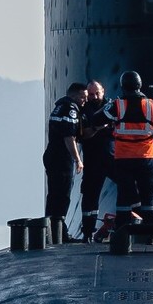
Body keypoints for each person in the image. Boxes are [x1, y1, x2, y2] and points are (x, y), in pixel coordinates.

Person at [103, 70, 153, 230]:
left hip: (123, 158)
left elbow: (98, 118)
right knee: (149, 194)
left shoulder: (117, 105)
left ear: (122, 86)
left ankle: (122, 230)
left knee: (124, 194)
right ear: (140, 85)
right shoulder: (152, 106)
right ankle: (152, 230)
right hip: (146, 158)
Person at [43, 82, 87, 229]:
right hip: (61, 158)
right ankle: (59, 231)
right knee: (62, 196)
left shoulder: (59, 107)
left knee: (53, 195)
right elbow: (69, 137)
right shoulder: (70, 110)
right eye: (83, 97)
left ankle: (51, 230)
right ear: (74, 95)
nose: (85, 101)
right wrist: (77, 159)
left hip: (52, 155)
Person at [79, 80, 111, 241]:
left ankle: (132, 224)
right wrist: (99, 128)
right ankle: (88, 232)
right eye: (91, 94)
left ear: (103, 91)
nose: (95, 97)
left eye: (97, 93)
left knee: (129, 190)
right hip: (93, 160)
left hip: (112, 157)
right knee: (90, 196)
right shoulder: (84, 110)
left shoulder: (112, 106)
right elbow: (83, 134)